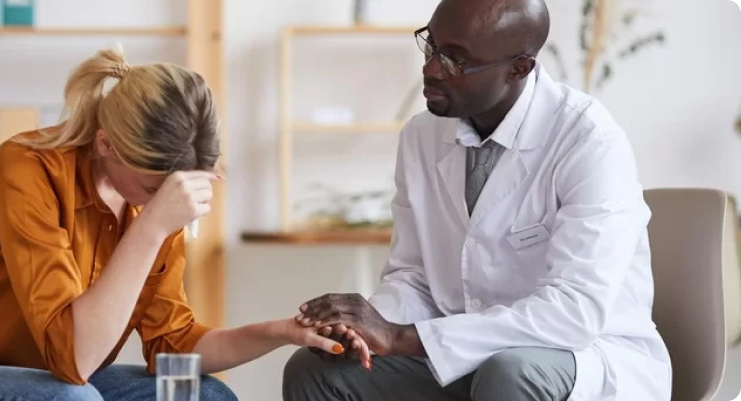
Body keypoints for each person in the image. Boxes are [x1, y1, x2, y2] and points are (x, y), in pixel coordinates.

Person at [0, 48, 347, 401]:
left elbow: (173, 346)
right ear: (105, 145)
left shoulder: (151, 201)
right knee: (71, 399)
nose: (165, 203)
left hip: (41, 374)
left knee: (205, 394)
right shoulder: (27, 169)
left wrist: (279, 331)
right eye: (153, 188)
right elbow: (75, 360)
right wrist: (151, 228)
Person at [281, 0, 672, 400]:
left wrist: (401, 337)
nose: (431, 69)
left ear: (519, 68)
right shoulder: (421, 136)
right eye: (431, 46)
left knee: (510, 373)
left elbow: (573, 313)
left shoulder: (589, 140)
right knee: (317, 371)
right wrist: (366, 328)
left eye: (456, 60)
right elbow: (414, 276)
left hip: (581, 358)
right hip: (462, 355)